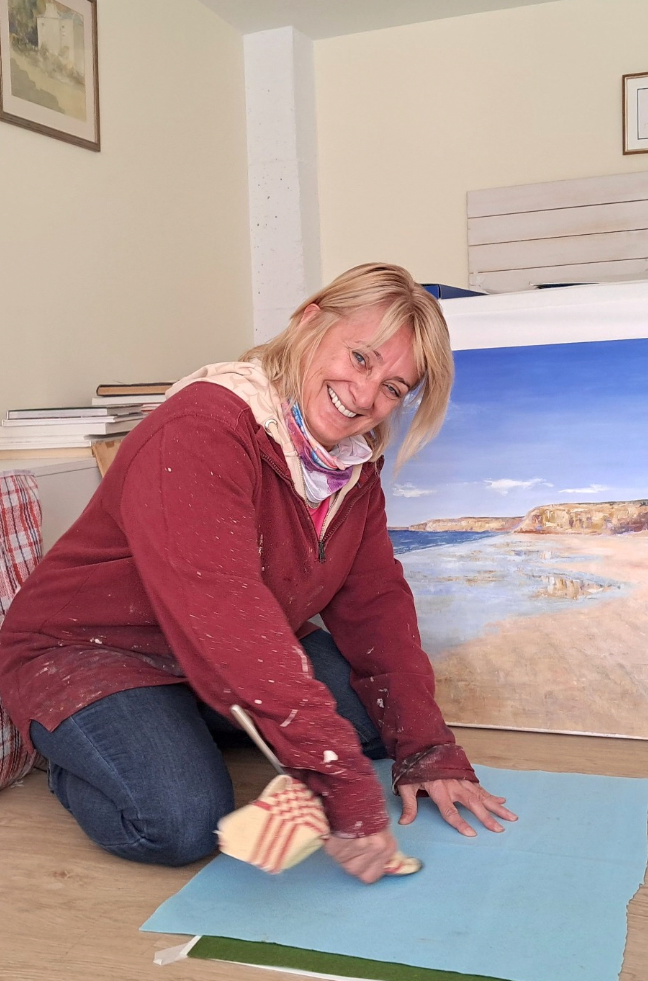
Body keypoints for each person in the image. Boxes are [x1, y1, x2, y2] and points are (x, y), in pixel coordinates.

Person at [0, 262, 516, 884]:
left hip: (213, 649)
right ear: (307, 321)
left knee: (377, 726)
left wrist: (428, 751)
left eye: (393, 388)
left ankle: (188, 717)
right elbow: (226, 615)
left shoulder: (353, 468)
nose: (365, 396)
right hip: (93, 651)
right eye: (359, 357)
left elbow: (375, 603)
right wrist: (346, 795)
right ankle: (72, 753)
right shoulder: (203, 428)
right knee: (180, 822)